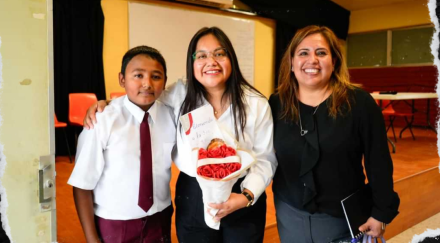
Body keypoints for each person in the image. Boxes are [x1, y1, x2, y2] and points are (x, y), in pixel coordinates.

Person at [84, 27, 277, 243]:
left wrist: (246, 196)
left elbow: (265, 159)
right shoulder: (180, 93)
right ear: (192, 63)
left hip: (242, 193)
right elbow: (144, 95)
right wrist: (107, 105)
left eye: (219, 54)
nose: (211, 61)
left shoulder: (256, 103)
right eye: (201, 55)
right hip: (193, 194)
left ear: (231, 58)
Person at [269, 25, 400, 243]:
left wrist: (381, 212)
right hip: (290, 214)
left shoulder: (359, 103)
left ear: (334, 61)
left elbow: (378, 162)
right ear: (291, 63)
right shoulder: (277, 104)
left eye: (321, 53)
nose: (312, 60)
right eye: (303, 53)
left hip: (344, 218)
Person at [68, 46, 176, 243]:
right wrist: (92, 240)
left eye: (156, 76)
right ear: (122, 79)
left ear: (165, 82)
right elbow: (82, 185)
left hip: (160, 217)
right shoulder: (102, 120)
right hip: (115, 223)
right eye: (138, 75)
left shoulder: (172, 116)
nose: (147, 83)